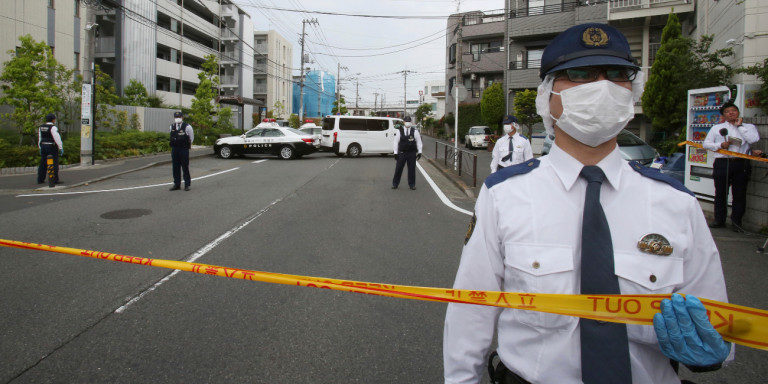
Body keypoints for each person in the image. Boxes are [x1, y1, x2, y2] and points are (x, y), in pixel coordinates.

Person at [444, 23, 731, 384]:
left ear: (632, 92)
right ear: (548, 95)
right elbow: (471, 313)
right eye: (578, 74)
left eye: (616, 75)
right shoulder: (504, 196)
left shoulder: (677, 203)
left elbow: (719, 324)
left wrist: (712, 348)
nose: (601, 87)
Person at [702, 102, 761, 232]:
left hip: (741, 162)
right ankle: (719, 220)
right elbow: (706, 144)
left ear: (738, 112)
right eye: (728, 111)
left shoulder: (748, 127)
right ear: (724, 115)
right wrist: (719, 145)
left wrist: (740, 127)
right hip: (722, 162)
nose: (731, 113)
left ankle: (737, 222)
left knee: (739, 193)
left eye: (734, 110)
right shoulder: (717, 128)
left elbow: (753, 140)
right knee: (721, 192)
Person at [392, 116, 423, 190]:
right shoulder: (399, 131)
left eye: (409, 121)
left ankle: (412, 184)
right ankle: (395, 184)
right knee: (398, 169)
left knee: (412, 169)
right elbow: (396, 142)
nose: (408, 123)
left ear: (411, 122)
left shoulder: (415, 131)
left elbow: (419, 142)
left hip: (411, 153)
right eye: (406, 121)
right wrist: (395, 152)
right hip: (402, 153)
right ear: (404, 122)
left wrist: (420, 152)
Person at [169, 111, 194, 191]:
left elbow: (191, 138)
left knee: (185, 166)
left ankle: (187, 184)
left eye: (179, 117)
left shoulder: (187, 126)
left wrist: (186, 145)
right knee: (175, 167)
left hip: (183, 149)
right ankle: (177, 184)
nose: (177, 119)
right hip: (175, 149)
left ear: (182, 117)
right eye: (176, 117)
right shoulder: (172, 126)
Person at [37, 113, 63, 185]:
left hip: (43, 146)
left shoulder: (41, 127)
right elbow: (57, 138)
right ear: (53, 120)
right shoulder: (53, 127)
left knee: (43, 163)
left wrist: (39, 146)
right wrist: (60, 147)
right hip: (51, 146)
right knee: (54, 163)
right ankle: (54, 180)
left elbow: (40, 137)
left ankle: (40, 179)